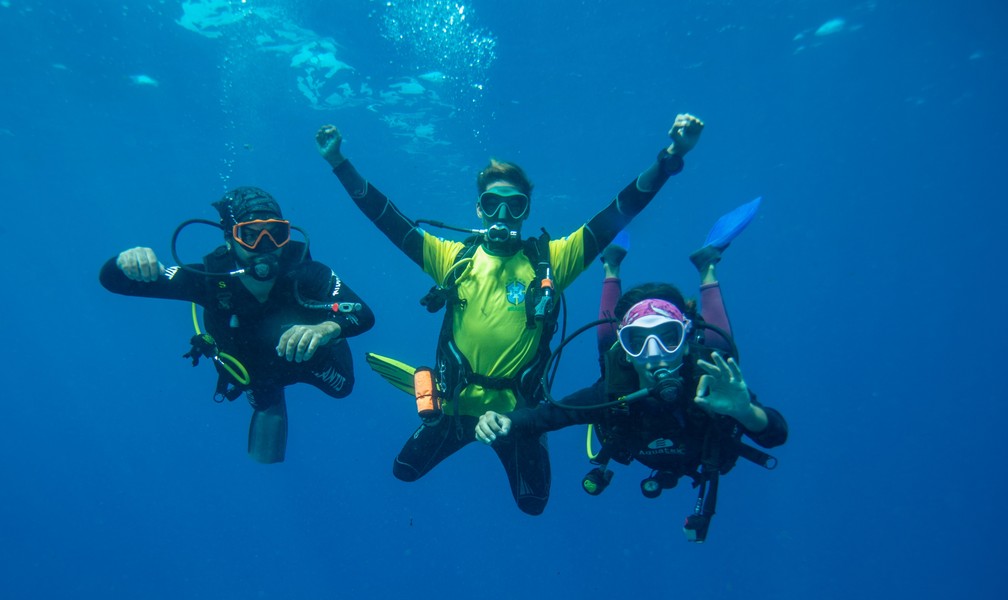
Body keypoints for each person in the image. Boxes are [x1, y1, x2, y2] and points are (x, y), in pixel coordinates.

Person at [315, 114, 705, 515]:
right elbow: (387, 220)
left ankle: (528, 435)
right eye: (492, 204)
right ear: (479, 210)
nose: (502, 215)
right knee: (403, 472)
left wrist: (670, 157)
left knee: (532, 504)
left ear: (526, 211)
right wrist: (339, 163)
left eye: (514, 206)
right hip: (453, 405)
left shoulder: (551, 261)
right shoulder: (453, 258)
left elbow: (617, 213)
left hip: (515, 414)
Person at [475, 221, 787, 540]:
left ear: (685, 338)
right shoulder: (614, 391)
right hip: (631, 387)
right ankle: (613, 264)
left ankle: (705, 266)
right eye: (637, 341)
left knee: (721, 350)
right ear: (628, 350)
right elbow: (550, 415)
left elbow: (776, 434)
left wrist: (744, 410)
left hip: (703, 384)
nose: (655, 356)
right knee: (606, 345)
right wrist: (505, 419)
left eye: (668, 338)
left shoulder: (714, 381)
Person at [99, 187, 375, 464]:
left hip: (311, 357)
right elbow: (114, 281)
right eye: (251, 235)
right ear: (230, 238)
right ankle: (273, 405)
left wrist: (325, 330)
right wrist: (125, 262)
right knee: (264, 402)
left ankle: (328, 328)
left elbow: (363, 313)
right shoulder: (208, 278)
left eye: (275, 234)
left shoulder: (308, 272)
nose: (266, 246)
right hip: (253, 371)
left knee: (342, 390)